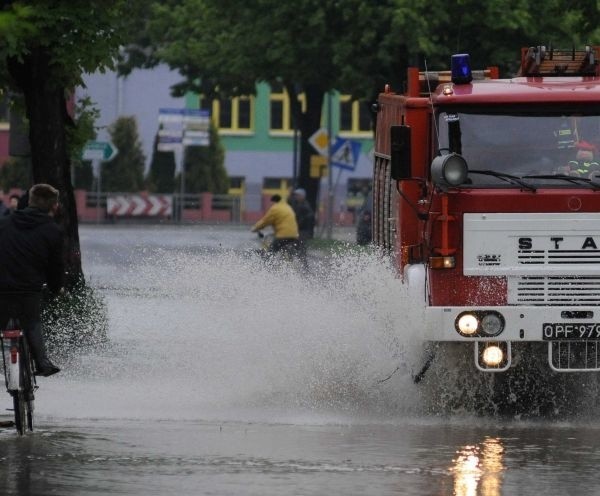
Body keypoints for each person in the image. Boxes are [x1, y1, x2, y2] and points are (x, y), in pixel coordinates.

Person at [0, 184, 63, 377]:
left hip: (1, 288)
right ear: (54, 207)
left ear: (29, 202)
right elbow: (55, 267)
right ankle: (42, 363)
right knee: (32, 321)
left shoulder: (4, 223)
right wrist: (56, 288)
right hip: (29, 290)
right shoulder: (53, 231)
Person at [289, 188, 314, 269]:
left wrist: (299, 224)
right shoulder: (296, 204)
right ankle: (291, 265)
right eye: (295, 195)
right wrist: (290, 195)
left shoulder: (305, 206)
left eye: (298, 195)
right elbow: (289, 203)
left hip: (303, 231)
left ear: (302, 196)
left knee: (301, 250)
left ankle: (304, 268)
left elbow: (308, 219)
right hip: (297, 230)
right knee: (292, 248)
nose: (296, 197)